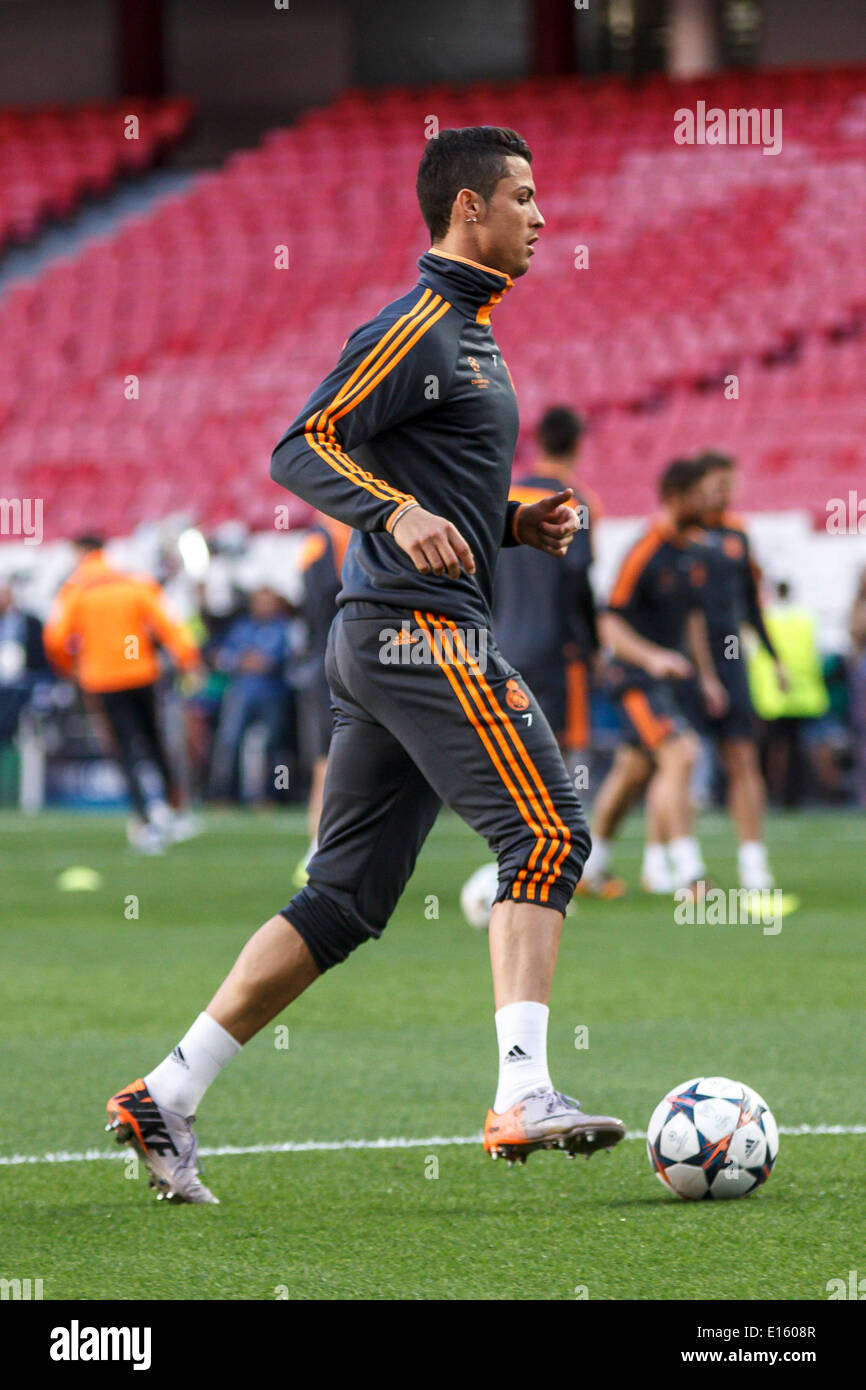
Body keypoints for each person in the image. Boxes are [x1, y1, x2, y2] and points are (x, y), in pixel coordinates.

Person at [105, 125, 626, 1204]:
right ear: (467, 210)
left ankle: (168, 1092)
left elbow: (427, 474)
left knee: (342, 899)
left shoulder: (472, 334)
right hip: (415, 627)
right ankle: (521, 1090)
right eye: (522, 197)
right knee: (545, 831)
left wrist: (512, 518)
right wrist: (398, 509)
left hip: (389, 635)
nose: (541, 217)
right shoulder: (424, 325)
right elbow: (301, 442)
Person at [580, 459, 726, 897]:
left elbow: (694, 620)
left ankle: (590, 870)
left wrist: (707, 677)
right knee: (681, 753)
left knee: (631, 773)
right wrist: (652, 657)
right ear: (677, 498)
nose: (711, 502)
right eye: (702, 495)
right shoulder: (644, 549)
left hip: (667, 681)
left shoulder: (693, 552)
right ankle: (689, 875)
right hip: (635, 679)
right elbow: (609, 622)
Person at [668, 453, 786, 892]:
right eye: (714, 484)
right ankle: (679, 864)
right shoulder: (681, 539)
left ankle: (754, 865)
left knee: (743, 757)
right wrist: (703, 674)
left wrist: (775, 659)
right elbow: (688, 613)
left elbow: (752, 604)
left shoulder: (738, 535)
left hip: (732, 662)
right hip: (688, 663)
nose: (721, 492)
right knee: (679, 760)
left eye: (726, 484)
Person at [43, 536, 201, 853]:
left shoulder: (76, 590)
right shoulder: (134, 582)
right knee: (155, 742)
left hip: (102, 681)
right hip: (142, 674)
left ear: (82, 553)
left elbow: (56, 638)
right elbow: (169, 626)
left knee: (125, 750)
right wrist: (188, 662)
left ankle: (145, 822)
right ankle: (176, 812)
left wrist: (69, 669)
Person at [492, 406, 600, 764]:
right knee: (557, 757)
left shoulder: (504, 495)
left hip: (502, 647)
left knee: (512, 755)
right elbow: (577, 580)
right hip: (558, 651)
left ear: (538, 442)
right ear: (579, 444)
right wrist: (593, 645)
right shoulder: (577, 503)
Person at [291, 514, 351, 886]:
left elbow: (313, 604)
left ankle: (323, 846)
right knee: (330, 758)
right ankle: (321, 847)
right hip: (353, 655)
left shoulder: (318, 539)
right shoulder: (348, 531)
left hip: (329, 657)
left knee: (329, 757)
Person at [208, 586, 293, 804]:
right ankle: (226, 795)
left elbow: (270, 662)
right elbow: (224, 658)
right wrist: (243, 661)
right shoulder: (242, 627)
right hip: (241, 692)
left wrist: (244, 661)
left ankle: (273, 796)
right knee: (230, 740)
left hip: (272, 693)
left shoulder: (282, 628)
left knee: (274, 745)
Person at [749, 582, 829, 808]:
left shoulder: (764, 617)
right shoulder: (806, 619)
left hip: (770, 695)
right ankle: (792, 797)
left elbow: (739, 647)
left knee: (765, 747)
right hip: (802, 694)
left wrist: (730, 664)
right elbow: (815, 652)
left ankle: (763, 794)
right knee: (794, 748)